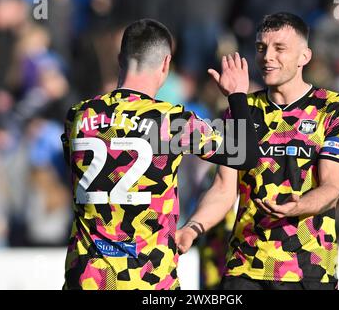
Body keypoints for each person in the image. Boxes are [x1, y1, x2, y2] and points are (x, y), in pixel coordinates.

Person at [60, 19, 260, 290]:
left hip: (86, 276)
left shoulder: (79, 115)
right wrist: (236, 96)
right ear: (166, 64)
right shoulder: (171, 122)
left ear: (120, 59)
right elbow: (246, 155)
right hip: (148, 278)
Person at [176, 12, 339, 290]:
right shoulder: (240, 110)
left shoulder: (334, 109)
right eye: (261, 48)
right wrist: (192, 228)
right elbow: (225, 188)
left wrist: (297, 206)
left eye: (279, 48)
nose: (267, 56)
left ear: (304, 57)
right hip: (245, 267)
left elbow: (331, 189)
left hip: (307, 269)